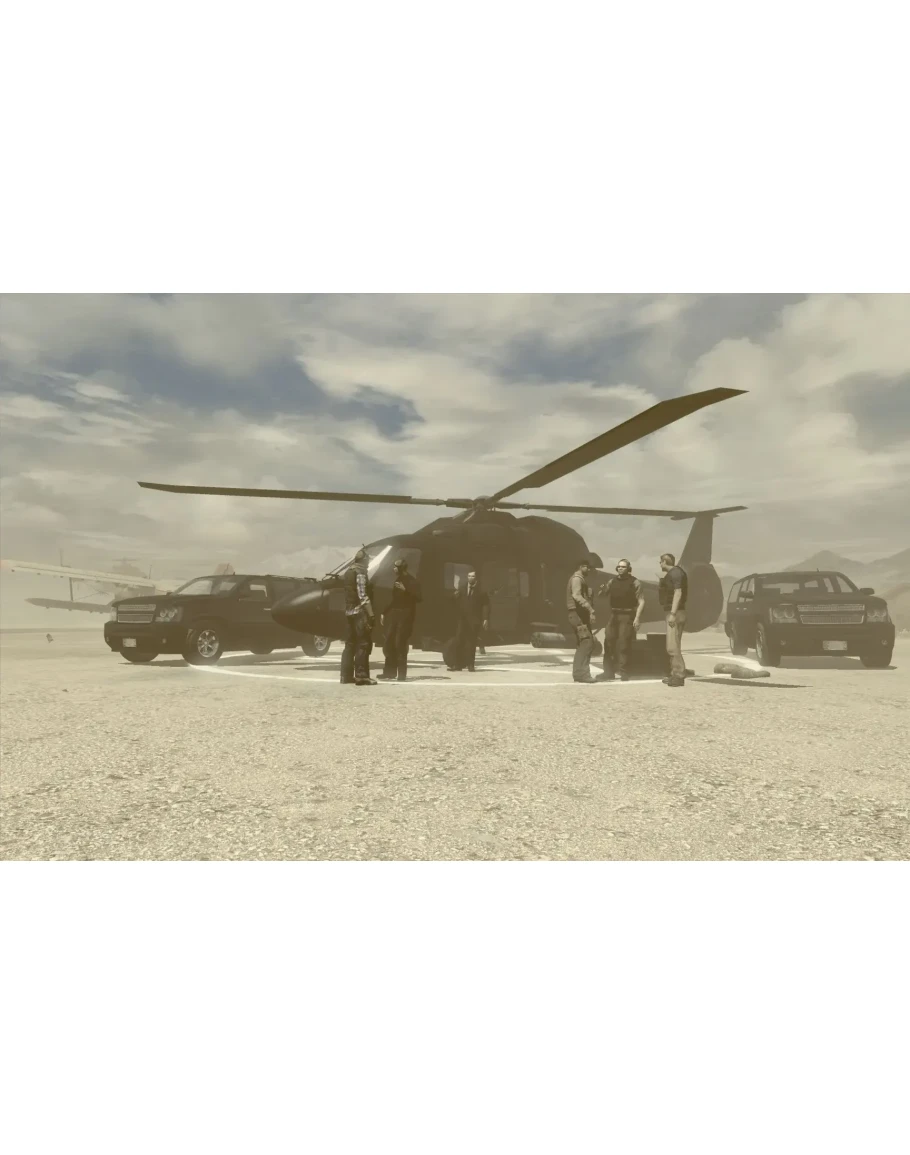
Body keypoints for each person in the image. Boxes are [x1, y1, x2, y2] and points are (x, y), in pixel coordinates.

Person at [597, 558, 645, 680]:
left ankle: (624, 672)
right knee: (608, 642)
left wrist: (637, 618)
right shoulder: (612, 581)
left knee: (624, 644)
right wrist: (601, 590)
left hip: (627, 615)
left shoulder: (635, 582)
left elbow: (641, 601)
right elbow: (603, 594)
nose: (620, 568)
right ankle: (608, 672)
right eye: (619, 566)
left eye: (623, 567)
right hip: (614, 614)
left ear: (628, 569)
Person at [378, 558, 422, 681]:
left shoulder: (412, 581)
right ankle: (389, 672)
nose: (394, 569)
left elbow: (419, 598)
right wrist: (384, 612)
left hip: (406, 616)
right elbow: (395, 600)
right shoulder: (398, 580)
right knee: (389, 642)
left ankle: (401, 674)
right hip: (395, 614)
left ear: (401, 568)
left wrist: (405, 590)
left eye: (396, 567)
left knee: (400, 643)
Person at [340, 547, 377, 686]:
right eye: (367, 560)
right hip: (360, 613)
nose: (368, 563)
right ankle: (361, 676)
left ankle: (345, 676)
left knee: (350, 644)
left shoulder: (348, 572)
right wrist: (371, 614)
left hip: (349, 612)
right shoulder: (360, 573)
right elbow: (363, 596)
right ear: (364, 560)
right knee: (363, 644)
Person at [448, 570, 490, 671]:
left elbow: (485, 605)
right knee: (459, 640)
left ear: (476, 578)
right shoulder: (462, 588)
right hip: (462, 619)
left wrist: (485, 618)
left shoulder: (481, 591)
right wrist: (453, 596)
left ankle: (470, 664)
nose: (470, 578)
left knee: (471, 642)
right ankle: (458, 664)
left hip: (474, 619)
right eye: (469, 576)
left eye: (472, 576)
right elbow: (453, 601)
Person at [658, 551, 688, 687]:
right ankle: (674, 674)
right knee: (674, 645)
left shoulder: (675, 573)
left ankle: (678, 675)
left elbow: (678, 592)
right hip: (677, 612)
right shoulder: (675, 573)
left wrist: (672, 613)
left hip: (675, 613)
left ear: (664, 562)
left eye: (660, 562)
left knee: (672, 647)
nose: (660, 564)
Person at [566, 558, 597, 683]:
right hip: (577, 616)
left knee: (584, 643)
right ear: (581, 566)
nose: (589, 569)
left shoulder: (579, 579)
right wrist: (590, 610)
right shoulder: (577, 579)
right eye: (587, 567)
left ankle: (580, 673)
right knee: (587, 642)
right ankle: (582, 674)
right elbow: (576, 595)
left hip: (578, 616)